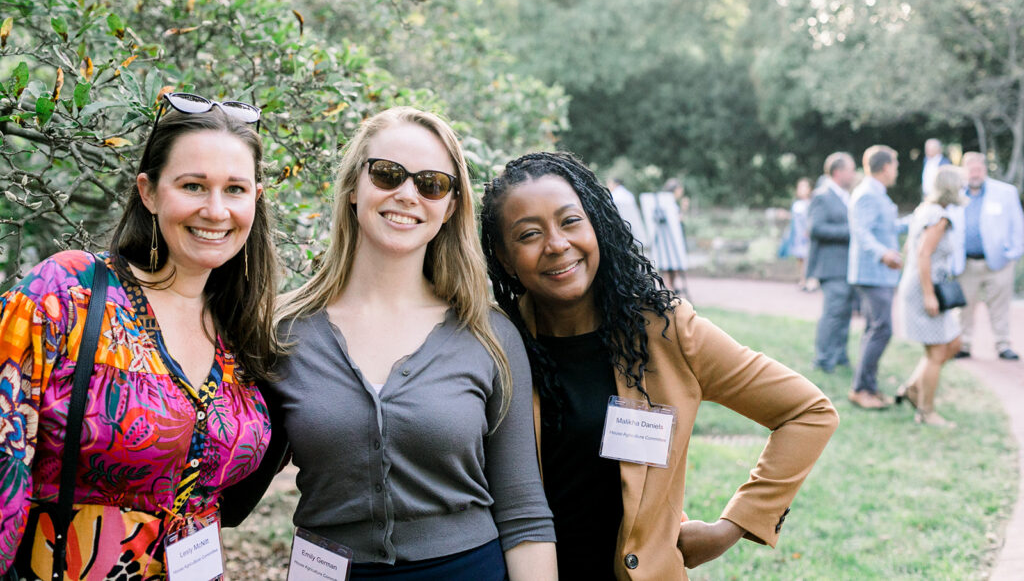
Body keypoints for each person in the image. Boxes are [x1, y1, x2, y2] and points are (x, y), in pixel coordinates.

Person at [226, 107, 556, 580]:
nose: (406, 194)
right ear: (353, 189)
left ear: (451, 206)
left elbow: (524, 510)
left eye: (431, 184)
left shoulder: (490, 335)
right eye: (387, 174)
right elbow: (220, 482)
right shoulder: (281, 331)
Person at [480, 151, 839, 581]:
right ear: (503, 256)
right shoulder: (492, 342)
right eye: (529, 234)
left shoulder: (667, 332)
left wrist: (733, 526)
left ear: (597, 224)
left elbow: (807, 412)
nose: (557, 244)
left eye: (570, 221)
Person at [0, 92, 279, 579]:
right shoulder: (69, 294)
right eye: (193, 185)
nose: (215, 210)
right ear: (149, 192)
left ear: (255, 200)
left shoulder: (245, 331)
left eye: (235, 189)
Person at [894, 165, 965, 427]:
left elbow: (909, 249)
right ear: (951, 186)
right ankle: (926, 411)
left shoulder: (925, 210)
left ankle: (913, 388)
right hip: (927, 287)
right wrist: (928, 294)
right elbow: (923, 254)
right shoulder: (939, 216)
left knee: (953, 343)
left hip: (924, 282)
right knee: (937, 352)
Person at [847, 145, 905, 410]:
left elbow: (888, 227)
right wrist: (884, 254)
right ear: (885, 168)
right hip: (872, 274)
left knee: (874, 330)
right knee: (882, 330)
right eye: (895, 165)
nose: (897, 170)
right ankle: (860, 389)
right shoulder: (867, 194)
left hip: (878, 274)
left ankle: (867, 386)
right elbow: (861, 232)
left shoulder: (877, 193)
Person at [951, 152, 1024, 361]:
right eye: (971, 169)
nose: (975, 174)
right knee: (964, 306)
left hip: (998, 263)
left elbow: (1017, 225)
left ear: (985, 170)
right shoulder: (955, 192)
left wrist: (1014, 253)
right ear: (965, 171)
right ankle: (963, 343)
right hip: (966, 263)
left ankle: (1003, 343)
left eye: (979, 169)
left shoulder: (1005, 192)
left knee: (1000, 306)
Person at [807, 152, 857, 372]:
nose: (854, 174)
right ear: (838, 172)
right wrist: (850, 232)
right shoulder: (822, 196)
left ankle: (840, 355)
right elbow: (816, 229)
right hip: (831, 266)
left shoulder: (847, 196)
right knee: (833, 314)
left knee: (845, 313)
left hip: (847, 266)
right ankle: (823, 359)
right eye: (851, 170)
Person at [781, 178, 813, 290]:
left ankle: (810, 280)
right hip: (798, 235)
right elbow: (794, 219)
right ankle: (802, 279)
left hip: (808, 235)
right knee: (800, 258)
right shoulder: (797, 204)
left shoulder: (811, 203)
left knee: (808, 258)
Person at [607, 176, 649, 249]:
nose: (608, 185)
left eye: (609, 183)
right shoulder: (628, 194)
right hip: (634, 230)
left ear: (616, 184)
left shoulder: (614, 196)